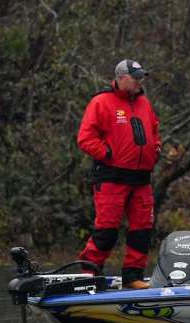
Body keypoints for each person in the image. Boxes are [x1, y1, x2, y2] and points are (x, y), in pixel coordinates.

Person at [77, 59, 161, 289]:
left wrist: (156, 149)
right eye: (136, 77)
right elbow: (85, 138)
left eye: (141, 77)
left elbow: (154, 130)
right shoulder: (101, 102)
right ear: (121, 78)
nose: (140, 81)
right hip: (111, 177)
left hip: (141, 178)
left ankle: (133, 276)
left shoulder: (144, 103)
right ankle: (90, 273)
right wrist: (107, 153)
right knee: (107, 229)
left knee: (142, 230)